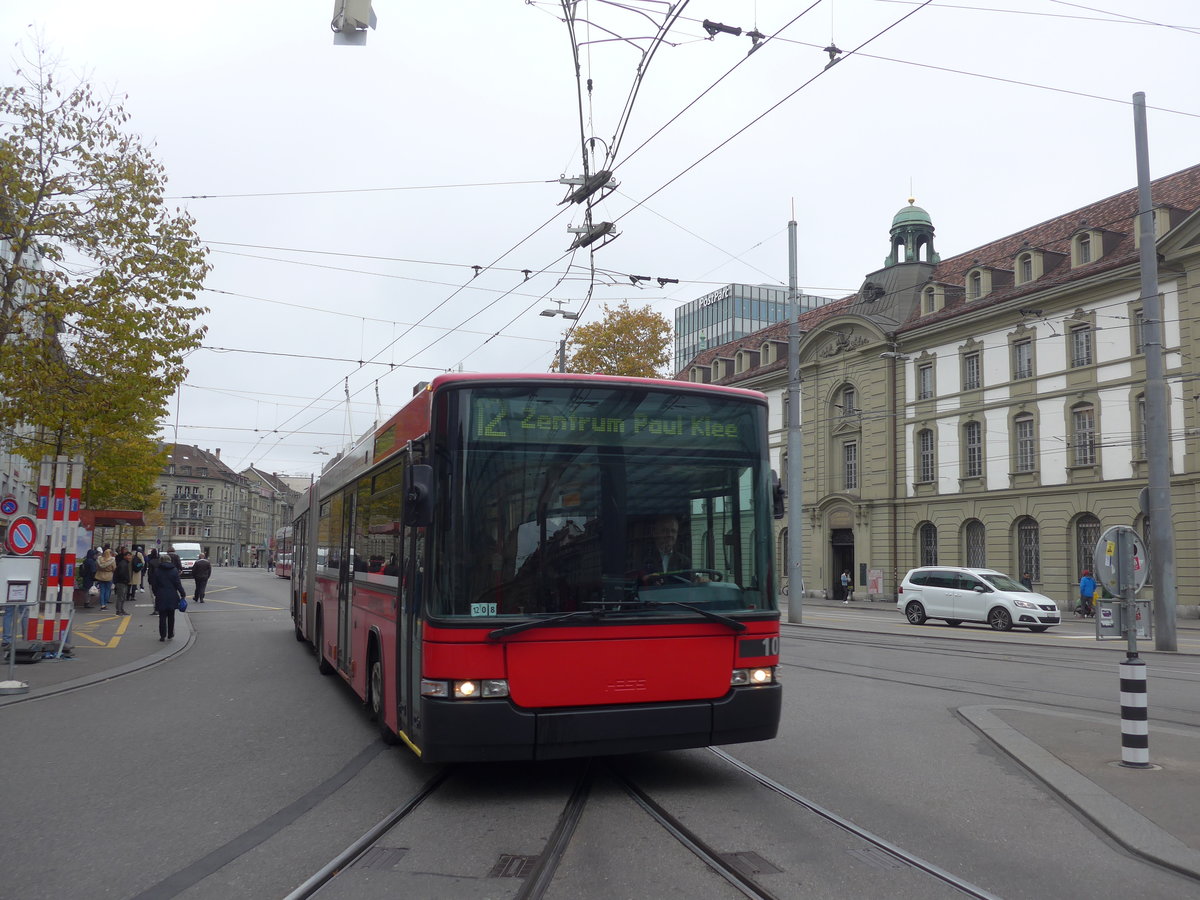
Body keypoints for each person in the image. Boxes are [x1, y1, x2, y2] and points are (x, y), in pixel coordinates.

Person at [150, 550, 186, 641]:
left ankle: (162, 635)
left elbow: (154, 584)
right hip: (172, 595)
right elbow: (178, 584)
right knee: (171, 616)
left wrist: (156, 593)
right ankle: (170, 634)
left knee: (162, 616)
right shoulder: (174, 570)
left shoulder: (157, 571)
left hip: (161, 595)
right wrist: (182, 593)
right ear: (170, 560)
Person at [94, 546, 116, 610]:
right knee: (107, 590)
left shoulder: (99, 559)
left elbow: (97, 567)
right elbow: (114, 568)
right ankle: (105, 604)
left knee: (102, 590)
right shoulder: (112, 560)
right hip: (109, 575)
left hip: (100, 575)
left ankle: (102, 604)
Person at [113, 547, 133, 616]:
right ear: (125, 556)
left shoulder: (124, 563)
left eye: (130, 556)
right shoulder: (123, 564)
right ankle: (119, 610)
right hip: (121, 582)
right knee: (121, 597)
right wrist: (126, 579)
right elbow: (121, 573)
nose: (130, 557)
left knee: (122, 597)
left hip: (122, 582)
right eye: (128, 556)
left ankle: (121, 609)